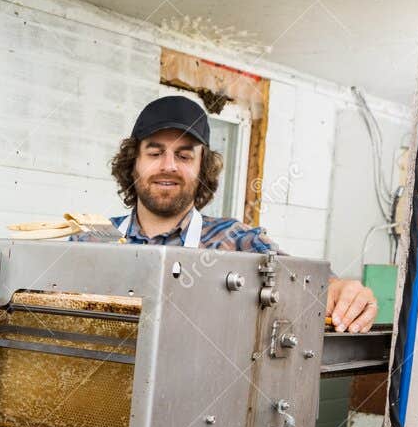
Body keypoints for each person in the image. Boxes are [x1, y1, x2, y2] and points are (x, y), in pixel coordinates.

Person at [73, 95, 378, 333]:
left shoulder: (233, 239)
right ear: (133, 163)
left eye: (184, 155)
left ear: (202, 168)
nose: (168, 166)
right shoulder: (92, 236)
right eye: (155, 153)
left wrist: (341, 291)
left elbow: (303, 282)